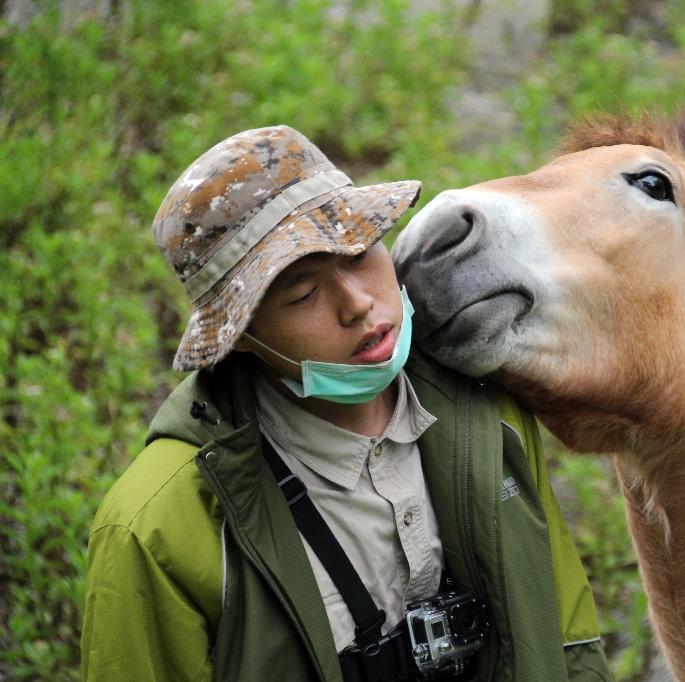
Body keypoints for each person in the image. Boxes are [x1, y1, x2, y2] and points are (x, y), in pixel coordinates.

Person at [80, 126, 612, 681]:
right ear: (238, 337)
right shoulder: (156, 527)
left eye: (359, 252)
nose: (358, 304)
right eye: (303, 293)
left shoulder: (486, 409)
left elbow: (569, 640)